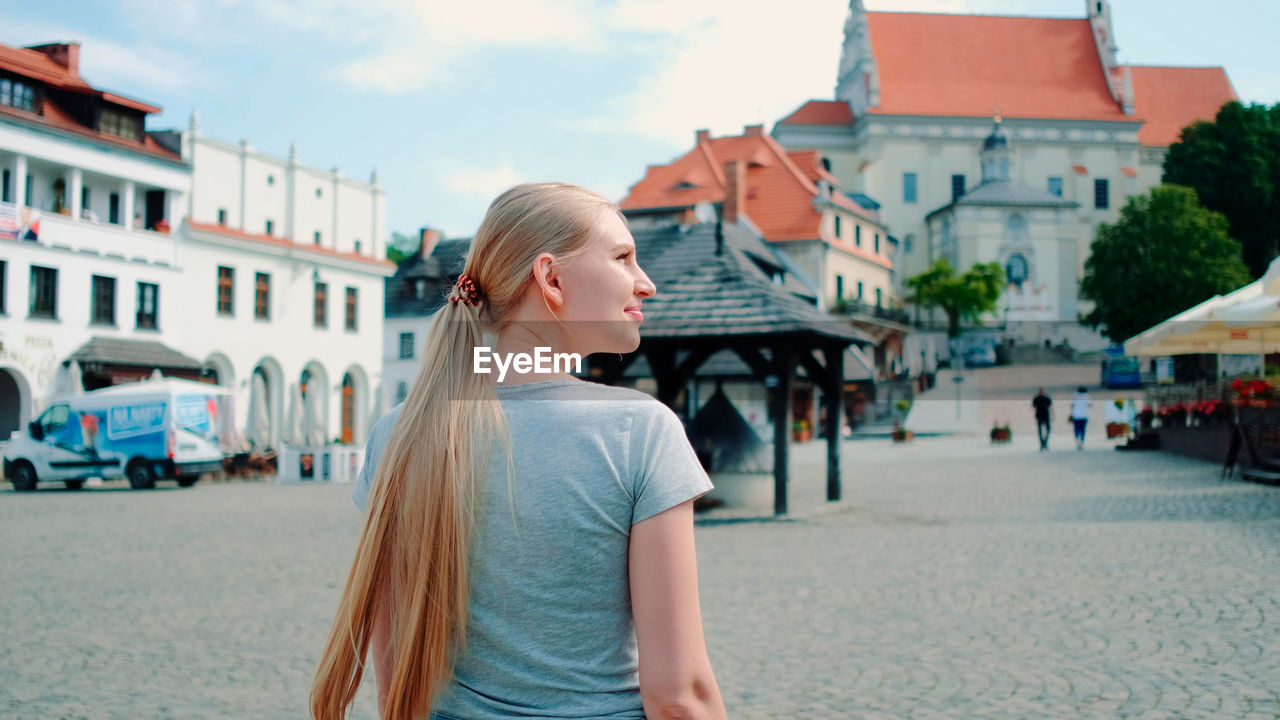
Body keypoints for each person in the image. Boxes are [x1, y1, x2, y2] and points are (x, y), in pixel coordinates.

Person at [311, 183, 727, 720]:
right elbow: (680, 696)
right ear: (551, 279)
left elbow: (398, 686)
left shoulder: (401, 433)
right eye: (623, 258)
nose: (645, 283)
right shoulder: (638, 431)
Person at [1070, 386, 1091, 450]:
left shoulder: (1074, 396)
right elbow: (1089, 405)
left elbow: (1072, 405)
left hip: (1076, 415)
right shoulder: (1087, 396)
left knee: (1076, 429)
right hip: (1084, 415)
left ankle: (1077, 439)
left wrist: (1071, 413)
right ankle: (1082, 440)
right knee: (1083, 429)